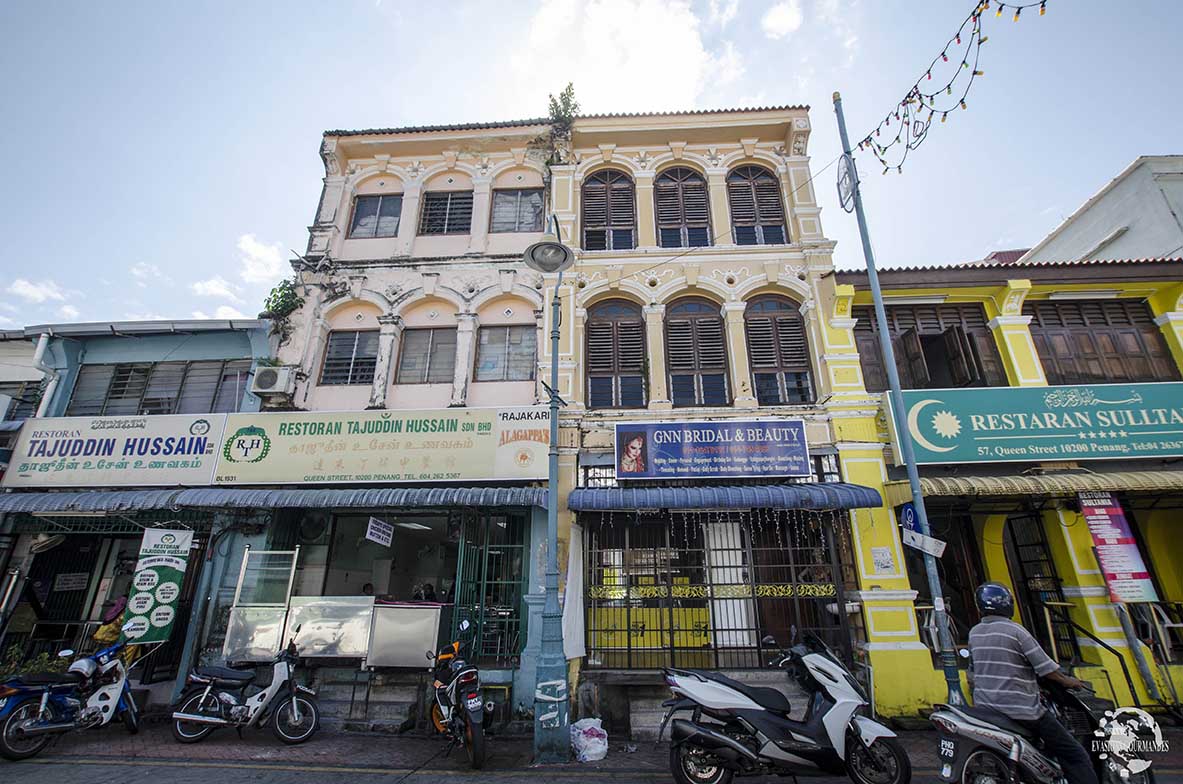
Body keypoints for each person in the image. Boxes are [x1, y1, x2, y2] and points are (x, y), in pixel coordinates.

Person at [967, 582, 1097, 784]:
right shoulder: (1017, 632)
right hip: (1022, 710)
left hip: (988, 708)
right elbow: (1048, 669)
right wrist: (1069, 681)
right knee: (1075, 754)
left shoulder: (974, 633)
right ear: (1008, 604)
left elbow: (972, 672)